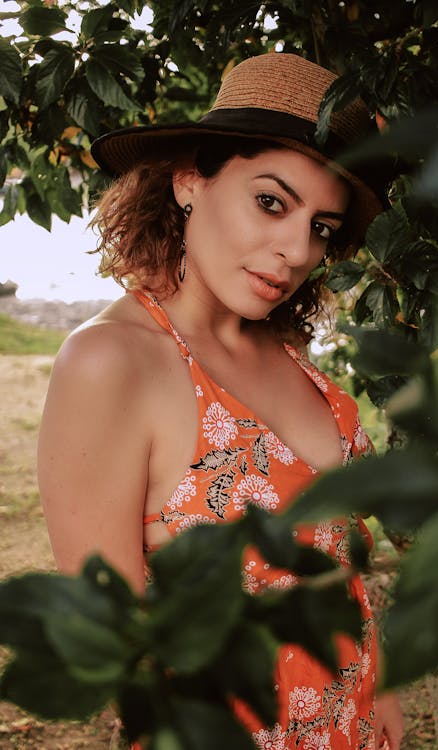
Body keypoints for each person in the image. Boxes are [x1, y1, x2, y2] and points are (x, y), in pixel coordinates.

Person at [38, 53, 404, 749]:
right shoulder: (112, 362)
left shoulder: (287, 350)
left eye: (321, 227)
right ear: (189, 183)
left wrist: (380, 682)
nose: (296, 251)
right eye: (271, 202)